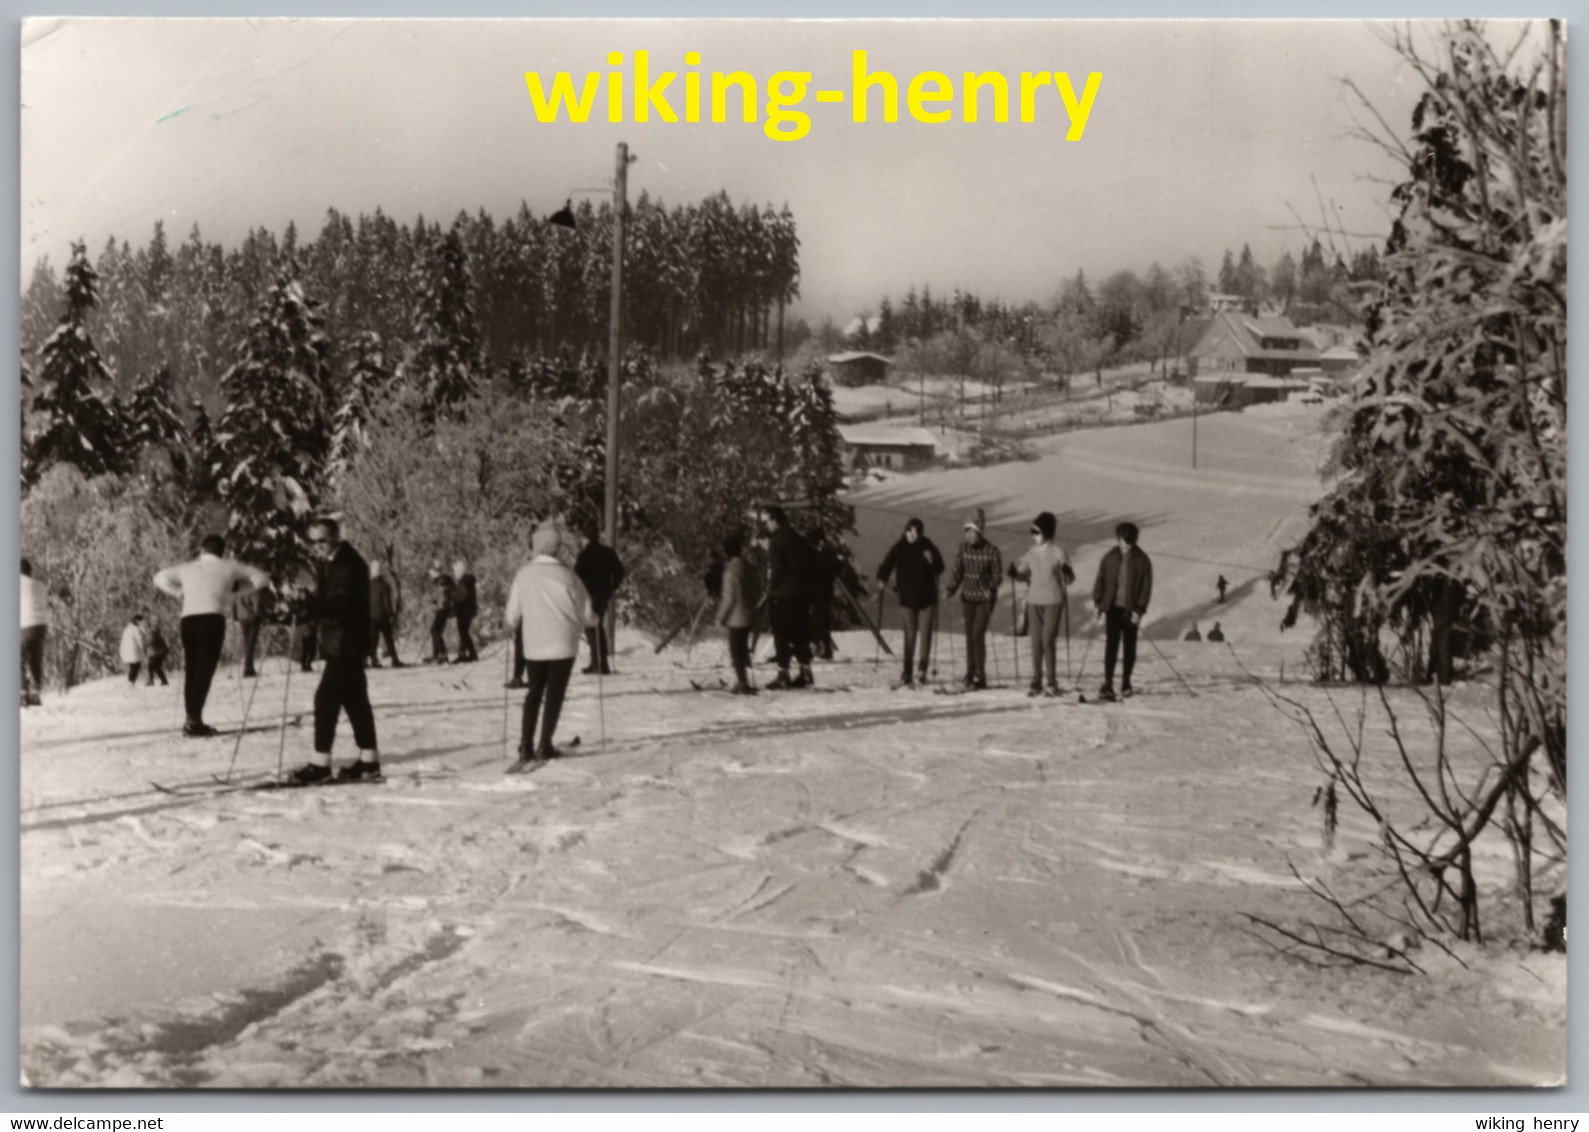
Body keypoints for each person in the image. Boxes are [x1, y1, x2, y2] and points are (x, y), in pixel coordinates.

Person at [286, 516, 382, 786]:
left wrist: (312, 607)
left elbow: (342, 602)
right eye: (313, 541)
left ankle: (320, 765)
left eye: (322, 540)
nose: (316, 546)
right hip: (341, 640)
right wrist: (306, 604)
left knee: (325, 700)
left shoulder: (348, 564)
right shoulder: (333, 562)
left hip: (347, 642)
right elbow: (329, 601)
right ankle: (369, 761)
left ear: (336, 537)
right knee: (355, 702)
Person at [154, 535, 270, 737]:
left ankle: (191, 718)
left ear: (202, 550)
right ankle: (194, 721)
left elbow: (159, 577)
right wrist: (237, 592)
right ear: (222, 551)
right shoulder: (229, 566)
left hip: (188, 620)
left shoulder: (188, 567)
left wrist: (178, 592)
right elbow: (261, 578)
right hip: (212, 618)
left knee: (192, 669)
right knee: (204, 671)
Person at [504, 523, 596, 770]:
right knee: (554, 695)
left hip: (534, 645)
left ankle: (525, 743)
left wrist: (509, 626)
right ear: (557, 548)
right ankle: (545, 743)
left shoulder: (524, 575)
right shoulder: (568, 576)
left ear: (536, 546)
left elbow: (512, 614)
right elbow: (587, 613)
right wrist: (593, 621)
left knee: (534, 693)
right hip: (563, 645)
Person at [1008, 511, 1073, 697]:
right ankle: (1036, 680)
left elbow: (1069, 580)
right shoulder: (1030, 552)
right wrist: (1015, 573)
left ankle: (1051, 681)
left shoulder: (1058, 552)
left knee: (1047, 640)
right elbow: (1023, 574)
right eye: (1032, 531)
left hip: (1053, 600)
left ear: (1046, 532)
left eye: (1037, 532)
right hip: (1034, 601)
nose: (1034, 536)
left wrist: (1067, 571)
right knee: (1035, 642)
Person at [876, 517, 945, 688]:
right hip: (907, 599)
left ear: (921, 533)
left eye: (917, 532)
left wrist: (932, 560)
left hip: (927, 599)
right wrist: (882, 578)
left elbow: (940, 567)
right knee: (910, 635)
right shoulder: (900, 547)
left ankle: (922, 670)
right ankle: (907, 671)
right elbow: (888, 562)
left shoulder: (927, 545)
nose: (913, 535)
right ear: (906, 530)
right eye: (910, 531)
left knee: (925, 634)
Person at [1091, 521, 1154, 701]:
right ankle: (1108, 681)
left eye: (1129, 542)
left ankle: (1126, 681)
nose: (1126, 546)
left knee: (1129, 646)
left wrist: (1139, 609)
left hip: (1131, 609)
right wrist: (1098, 601)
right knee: (1111, 644)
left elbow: (1146, 587)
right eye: (1123, 541)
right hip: (1113, 607)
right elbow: (1101, 579)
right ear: (1118, 539)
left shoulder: (1142, 560)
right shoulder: (1110, 557)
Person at [944, 508, 1003, 690]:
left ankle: (980, 673)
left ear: (980, 532)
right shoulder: (963, 549)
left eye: (973, 532)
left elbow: (997, 575)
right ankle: (970, 672)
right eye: (967, 531)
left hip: (984, 599)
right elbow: (957, 572)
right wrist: (950, 589)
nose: (969, 535)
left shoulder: (991, 551)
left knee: (977, 634)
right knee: (970, 636)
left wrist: (989, 585)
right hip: (968, 597)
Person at [761, 505, 816, 690]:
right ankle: (805, 672)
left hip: (782, 595)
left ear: (775, 521)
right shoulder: (798, 538)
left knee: (781, 635)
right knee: (800, 634)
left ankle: (783, 674)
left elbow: (777, 570)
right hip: (801, 595)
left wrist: (770, 589)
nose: (766, 525)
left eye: (767, 521)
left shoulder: (776, 541)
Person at [574, 521, 626, 675]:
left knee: (592, 628)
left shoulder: (584, 555)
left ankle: (600, 664)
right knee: (597, 627)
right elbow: (620, 572)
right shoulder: (608, 552)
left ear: (586, 537)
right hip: (603, 595)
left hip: (589, 595)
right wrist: (612, 587)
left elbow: (576, 577)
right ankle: (598, 662)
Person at [715, 532, 761, 695]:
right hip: (750, 613)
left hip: (736, 616)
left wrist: (720, 617)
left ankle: (742, 681)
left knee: (735, 649)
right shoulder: (749, 569)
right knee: (743, 648)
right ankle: (744, 679)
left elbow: (729, 598)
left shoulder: (730, 572)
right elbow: (757, 589)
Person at [805, 527, 842, 661]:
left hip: (818, 591)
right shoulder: (828, 553)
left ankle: (819, 646)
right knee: (822, 619)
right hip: (825, 590)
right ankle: (823, 647)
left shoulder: (818, 554)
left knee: (817, 619)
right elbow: (838, 568)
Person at [19, 559, 48, 707]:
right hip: (40, 626)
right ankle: (36, 692)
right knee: (36, 659)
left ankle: (22, 693)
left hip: (23, 626)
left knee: (19, 660)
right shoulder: (40, 585)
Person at [367, 559, 404, 668]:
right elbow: (386, 602)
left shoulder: (367, 585)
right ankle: (395, 659)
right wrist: (391, 615)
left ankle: (373, 660)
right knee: (388, 638)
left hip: (371, 616)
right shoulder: (384, 585)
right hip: (382, 616)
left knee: (373, 639)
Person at [234, 586, 269, 678]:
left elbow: (234, 605)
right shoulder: (253, 591)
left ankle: (250, 668)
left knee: (247, 643)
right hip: (252, 618)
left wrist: (236, 617)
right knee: (251, 644)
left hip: (242, 618)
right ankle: (247, 668)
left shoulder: (238, 592)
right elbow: (257, 606)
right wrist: (261, 617)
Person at [427, 561, 455, 664]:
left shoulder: (442, 581)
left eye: (432, 573)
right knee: (435, 630)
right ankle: (437, 654)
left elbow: (444, 596)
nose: (431, 576)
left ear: (436, 572)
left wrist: (438, 602)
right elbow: (441, 595)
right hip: (442, 608)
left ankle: (442, 655)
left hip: (443, 609)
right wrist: (434, 601)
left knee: (435, 631)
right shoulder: (442, 581)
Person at [452, 558, 479, 663]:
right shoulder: (467, 581)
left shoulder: (464, 582)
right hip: (468, 610)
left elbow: (461, 597)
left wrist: (453, 601)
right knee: (463, 632)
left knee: (463, 632)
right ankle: (467, 653)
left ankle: (468, 654)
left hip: (464, 611)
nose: (455, 573)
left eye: (455, 571)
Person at [120, 613, 148, 685]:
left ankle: (131, 681)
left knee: (133, 666)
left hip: (127, 651)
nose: (142, 623)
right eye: (141, 621)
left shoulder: (127, 629)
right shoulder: (135, 629)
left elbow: (123, 641)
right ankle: (131, 682)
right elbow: (140, 640)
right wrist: (144, 648)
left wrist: (122, 651)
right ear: (137, 621)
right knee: (136, 666)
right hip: (133, 651)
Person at [144, 618, 170, 686]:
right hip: (161, 650)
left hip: (156, 651)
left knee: (151, 666)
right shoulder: (156, 630)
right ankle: (164, 681)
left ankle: (151, 681)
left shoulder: (150, 630)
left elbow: (150, 640)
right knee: (156, 666)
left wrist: (145, 644)